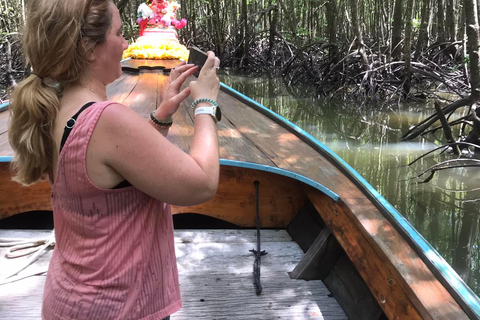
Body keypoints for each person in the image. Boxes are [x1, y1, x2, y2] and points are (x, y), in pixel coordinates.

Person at [8, 0, 220, 319]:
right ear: (88, 48)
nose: (126, 43)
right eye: (119, 33)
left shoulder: (56, 106)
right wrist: (205, 103)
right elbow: (201, 184)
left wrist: (160, 118)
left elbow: (101, 172)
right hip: (118, 307)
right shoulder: (108, 120)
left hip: (70, 300)